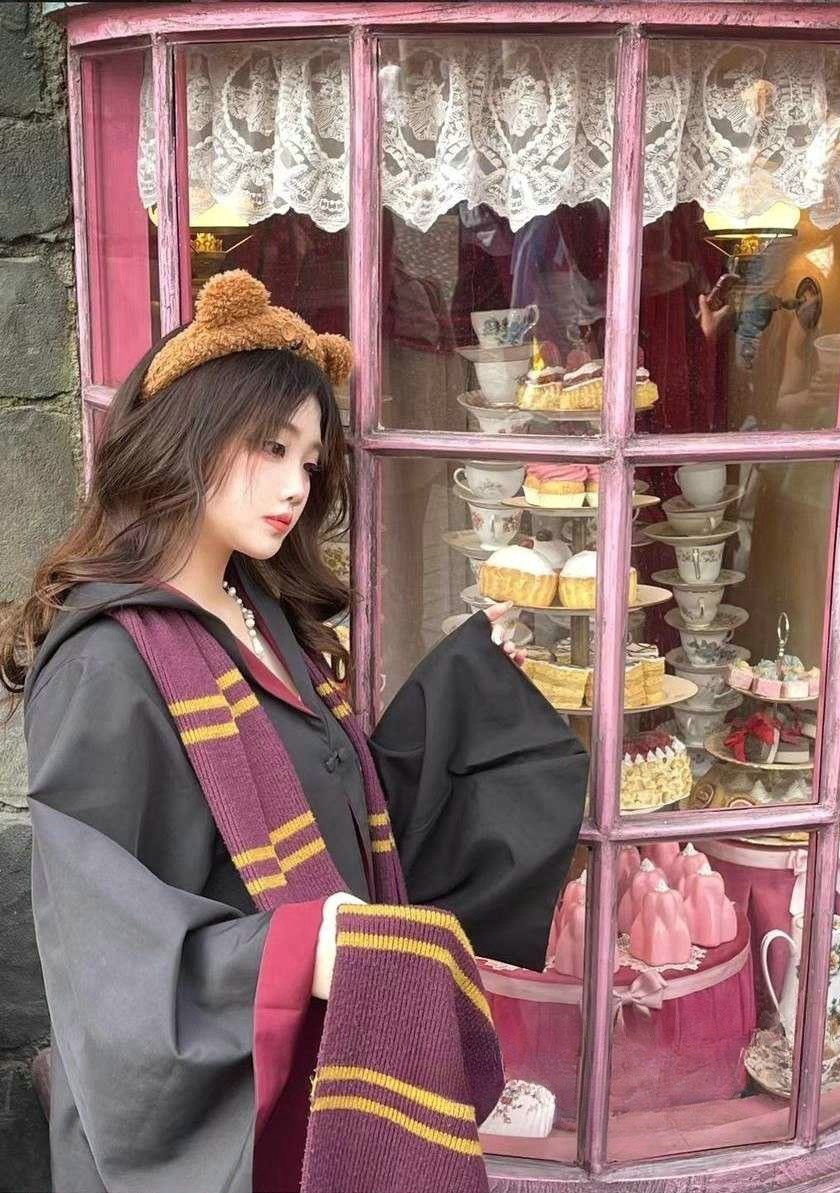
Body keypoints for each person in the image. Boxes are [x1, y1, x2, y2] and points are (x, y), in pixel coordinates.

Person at [0, 270, 588, 1193]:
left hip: (324, 1074)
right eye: (270, 446)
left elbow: (338, 808)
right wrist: (294, 950)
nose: (294, 486)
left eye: (310, 462)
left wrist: (471, 688)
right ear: (187, 433)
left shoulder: (257, 611)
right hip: (240, 1120)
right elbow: (105, 942)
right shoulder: (107, 664)